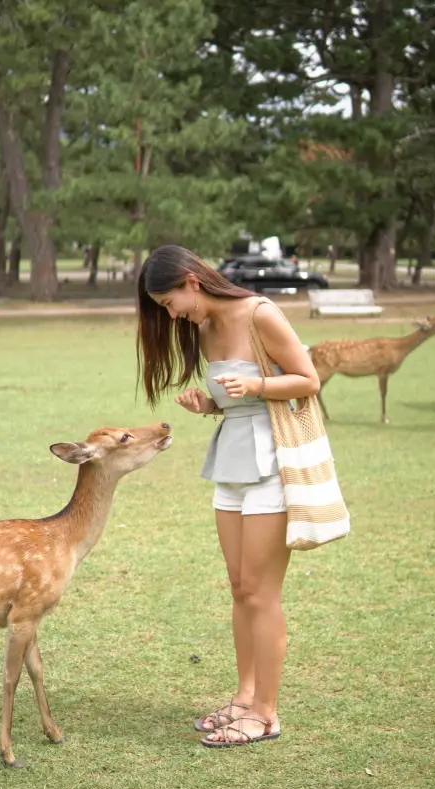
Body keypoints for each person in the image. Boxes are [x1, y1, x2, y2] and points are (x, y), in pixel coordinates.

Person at [136, 245, 320, 747]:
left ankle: (266, 713)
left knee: (262, 592)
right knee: (239, 586)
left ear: (192, 281)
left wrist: (256, 384)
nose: (171, 314)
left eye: (170, 302)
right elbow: (235, 402)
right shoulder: (202, 329)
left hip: (271, 466)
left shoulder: (260, 312)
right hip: (231, 460)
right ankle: (243, 697)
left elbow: (308, 379)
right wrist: (209, 404)